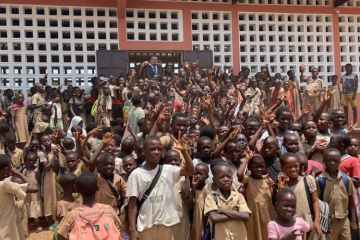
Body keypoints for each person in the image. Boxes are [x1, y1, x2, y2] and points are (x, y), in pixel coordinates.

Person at [126, 135, 195, 240]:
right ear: (144, 151)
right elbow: (132, 204)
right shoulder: (136, 174)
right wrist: (132, 230)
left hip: (165, 225)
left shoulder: (168, 170)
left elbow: (190, 171)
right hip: (145, 226)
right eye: (152, 149)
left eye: (159, 149)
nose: (157, 152)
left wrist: (184, 152)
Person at [57, 171, 121, 240]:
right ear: (97, 188)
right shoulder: (108, 210)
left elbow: (62, 236)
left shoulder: (72, 215)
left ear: (77, 190)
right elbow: (118, 229)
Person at [316, 148, 358, 240]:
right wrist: (320, 222)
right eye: (329, 160)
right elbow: (316, 202)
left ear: (340, 161)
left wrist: (354, 221)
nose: (332, 163)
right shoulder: (319, 180)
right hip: (328, 223)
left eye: (335, 160)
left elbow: (351, 200)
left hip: (344, 221)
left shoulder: (346, 179)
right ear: (324, 161)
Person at [278, 152, 322, 239]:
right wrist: (280, 190)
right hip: (293, 225)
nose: (293, 169)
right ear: (282, 168)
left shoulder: (307, 180)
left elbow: (315, 201)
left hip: (308, 221)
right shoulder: (284, 186)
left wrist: (316, 221)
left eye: (295, 166)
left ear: (299, 165)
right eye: (289, 167)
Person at [204, 162, 251, 240]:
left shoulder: (239, 196)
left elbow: (245, 216)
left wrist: (223, 210)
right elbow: (214, 218)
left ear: (232, 179)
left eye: (229, 177)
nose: (226, 179)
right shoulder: (211, 197)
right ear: (214, 180)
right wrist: (236, 214)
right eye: (221, 177)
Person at [237, 151, 277, 240]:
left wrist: (274, 188)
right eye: (255, 167)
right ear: (250, 167)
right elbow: (239, 174)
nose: (259, 169)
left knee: (269, 235)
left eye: (261, 166)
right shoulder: (248, 179)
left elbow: (273, 197)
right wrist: (247, 159)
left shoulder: (267, 179)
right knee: (255, 234)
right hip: (255, 214)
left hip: (268, 212)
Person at [0, 154, 38, 240]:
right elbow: (33, 187)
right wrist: (18, 173)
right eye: (11, 165)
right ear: (6, 169)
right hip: (8, 228)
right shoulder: (5, 185)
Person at [164, 149, 190, 240]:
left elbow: (186, 196)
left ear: (180, 161)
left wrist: (187, 175)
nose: (173, 162)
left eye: (175, 160)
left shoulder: (183, 178)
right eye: (170, 160)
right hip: (165, 218)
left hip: (181, 219)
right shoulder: (162, 177)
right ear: (165, 162)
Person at [21, 152, 43, 233]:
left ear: (36, 160)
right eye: (29, 160)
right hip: (27, 191)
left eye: (33, 161)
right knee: (28, 206)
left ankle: (39, 224)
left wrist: (38, 174)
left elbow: (40, 180)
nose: (31, 162)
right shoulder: (24, 169)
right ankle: (31, 223)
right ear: (26, 160)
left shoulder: (37, 169)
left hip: (36, 191)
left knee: (37, 207)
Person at [190, 163, 209, 240]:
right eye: (196, 173)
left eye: (201, 174)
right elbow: (190, 206)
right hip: (195, 222)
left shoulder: (209, 191)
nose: (198, 176)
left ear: (207, 176)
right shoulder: (192, 190)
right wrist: (192, 189)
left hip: (205, 223)